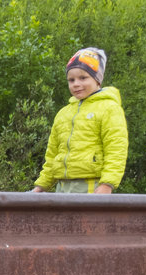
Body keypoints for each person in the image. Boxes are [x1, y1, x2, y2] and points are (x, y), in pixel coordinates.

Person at [31, 47, 128, 194]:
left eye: (83, 78)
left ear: (97, 80)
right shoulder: (63, 113)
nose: (76, 83)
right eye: (71, 79)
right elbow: (52, 155)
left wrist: (107, 184)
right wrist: (41, 186)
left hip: (91, 186)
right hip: (62, 188)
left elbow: (116, 149)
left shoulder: (109, 108)